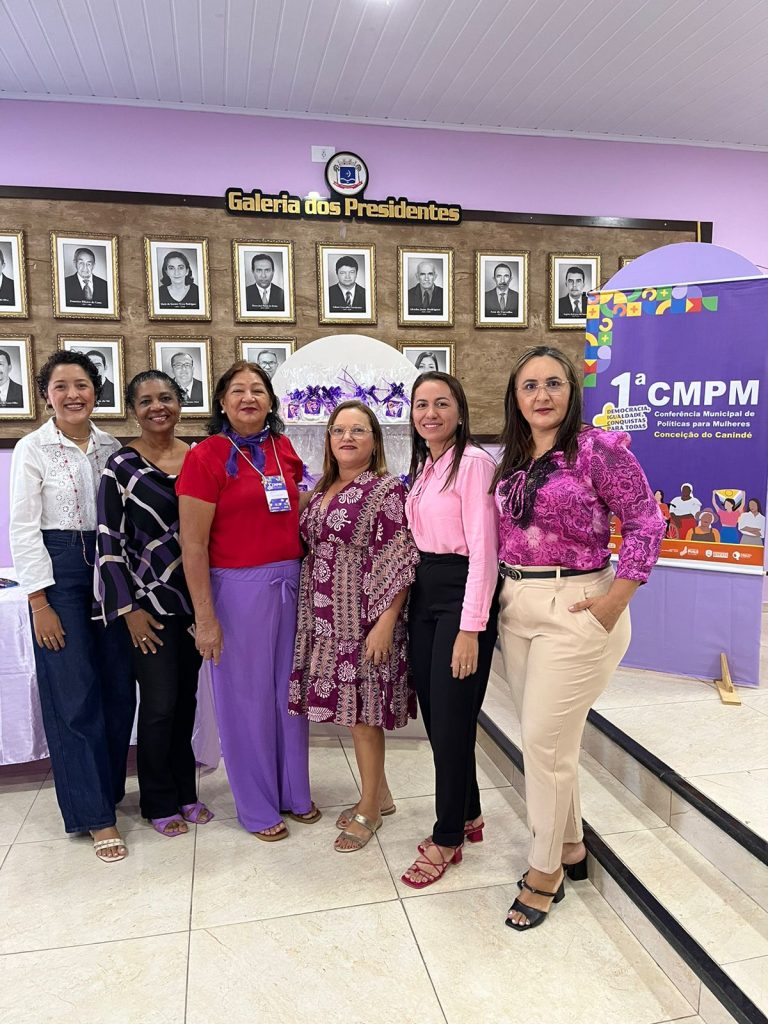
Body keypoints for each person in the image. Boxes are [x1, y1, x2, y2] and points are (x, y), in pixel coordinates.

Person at [493, 345, 664, 930]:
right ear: (516, 398)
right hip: (517, 604)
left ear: (572, 391)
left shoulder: (597, 450)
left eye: (554, 383)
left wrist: (617, 599)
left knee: (543, 745)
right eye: (529, 385)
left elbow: (646, 520)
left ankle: (544, 871)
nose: (542, 395)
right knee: (548, 743)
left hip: (578, 603)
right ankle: (569, 844)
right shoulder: (513, 457)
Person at [177, 360, 318, 840]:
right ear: (221, 402)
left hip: (290, 583)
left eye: (258, 389)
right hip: (237, 590)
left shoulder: (282, 448)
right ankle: (257, 807)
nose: (248, 398)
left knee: (289, 695)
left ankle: (294, 792)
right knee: (246, 701)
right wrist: (205, 618)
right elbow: (193, 544)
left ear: (270, 400)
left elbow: (293, 507)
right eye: (237, 390)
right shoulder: (206, 456)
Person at [8, 350, 135, 862]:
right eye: (60, 387)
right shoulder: (32, 448)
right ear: (47, 396)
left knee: (118, 688)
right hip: (58, 573)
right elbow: (22, 528)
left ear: (95, 392)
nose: (72, 395)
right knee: (74, 694)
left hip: (110, 568)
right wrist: (39, 601)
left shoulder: (112, 448)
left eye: (81, 385)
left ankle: (107, 791)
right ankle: (95, 815)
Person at [289, 400, 419, 852]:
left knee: (365, 716)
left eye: (358, 430)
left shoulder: (386, 490)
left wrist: (386, 623)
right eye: (339, 430)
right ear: (328, 439)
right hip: (325, 618)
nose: (347, 437)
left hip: (364, 619)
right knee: (350, 711)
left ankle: (369, 808)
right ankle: (380, 794)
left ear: (374, 440)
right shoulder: (323, 487)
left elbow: (400, 559)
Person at [95, 370, 214, 837]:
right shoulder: (120, 466)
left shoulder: (200, 457)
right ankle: (158, 800)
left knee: (186, 703)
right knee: (160, 704)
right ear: (133, 410)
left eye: (165, 397)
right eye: (145, 401)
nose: (157, 407)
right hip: (148, 608)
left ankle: (186, 792)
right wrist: (128, 610)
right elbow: (108, 540)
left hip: (196, 602)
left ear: (180, 403)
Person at [399, 373, 499, 888]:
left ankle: (447, 837)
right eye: (421, 404)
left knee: (453, 718)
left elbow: (485, 551)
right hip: (425, 593)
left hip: (462, 594)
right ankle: (469, 812)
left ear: (460, 411)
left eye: (441, 403)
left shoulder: (474, 463)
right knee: (440, 718)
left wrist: (471, 629)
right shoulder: (425, 466)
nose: (430, 413)